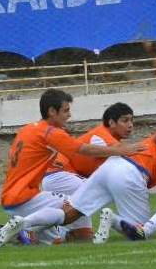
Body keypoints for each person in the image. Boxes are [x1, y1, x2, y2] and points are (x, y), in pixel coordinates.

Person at [0, 107, 156, 248]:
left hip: (110, 167)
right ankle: (112, 218)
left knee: (68, 215)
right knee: (139, 232)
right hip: (131, 173)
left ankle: (24, 223)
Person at [0, 89, 145, 248]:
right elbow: (84, 149)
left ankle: (24, 232)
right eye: (66, 110)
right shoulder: (51, 132)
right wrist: (120, 151)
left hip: (14, 195)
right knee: (78, 202)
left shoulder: (28, 129)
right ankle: (25, 227)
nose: (69, 115)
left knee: (60, 240)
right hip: (24, 195)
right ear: (51, 111)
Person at [40, 102, 134, 241]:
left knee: (82, 237)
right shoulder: (101, 136)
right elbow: (128, 155)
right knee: (95, 191)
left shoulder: (109, 139)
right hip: (60, 175)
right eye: (125, 120)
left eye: (132, 120)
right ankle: (31, 226)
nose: (130, 124)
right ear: (111, 122)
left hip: (64, 178)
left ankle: (31, 230)